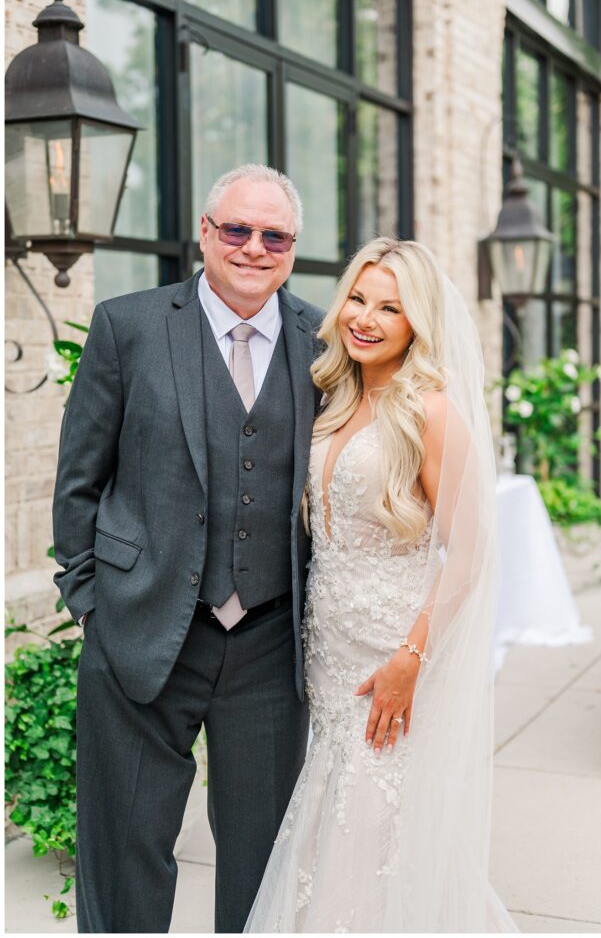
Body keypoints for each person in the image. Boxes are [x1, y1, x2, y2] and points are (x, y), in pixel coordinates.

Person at [52, 164, 324, 933]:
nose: (253, 247)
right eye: (236, 229)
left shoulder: (325, 340)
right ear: (204, 233)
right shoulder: (128, 325)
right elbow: (78, 479)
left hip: (271, 642)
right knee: (126, 849)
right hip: (140, 631)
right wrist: (92, 605)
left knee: (262, 864)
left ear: (293, 248)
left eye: (273, 236)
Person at [245, 237, 518, 933]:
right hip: (331, 659)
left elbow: (472, 553)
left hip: (392, 657)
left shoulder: (429, 411)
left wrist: (411, 659)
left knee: (376, 833)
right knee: (342, 828)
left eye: (390, 308)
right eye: (359, 299)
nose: (366, 318)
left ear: (416, 324)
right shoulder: (333, 394)